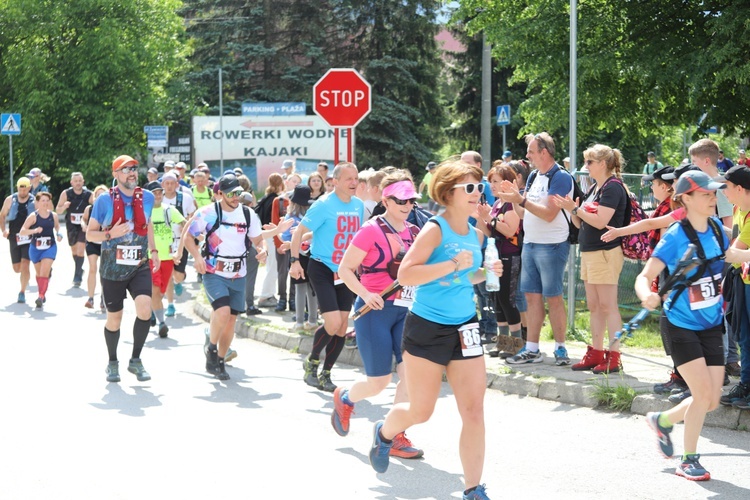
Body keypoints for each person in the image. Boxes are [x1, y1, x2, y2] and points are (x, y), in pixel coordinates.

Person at [367, 160, 502, 500]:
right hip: (427, 327)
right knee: (421, 411)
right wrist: (449, 264)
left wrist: (485, 272)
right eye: (469, 188)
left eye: (479, 187)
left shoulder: (475, 234)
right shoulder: (435, 229)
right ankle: (384, 433)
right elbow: (406, 275)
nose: (477, 194)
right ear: (448, 193)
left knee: (473, 410)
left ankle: (473, 489)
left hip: (465, 327)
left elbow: (464, 277)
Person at [637, 170, 750, 481]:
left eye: (714, 193)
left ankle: (663, 420)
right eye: (706, 194)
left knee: (712, 399)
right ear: (685, 198)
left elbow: (730, 254)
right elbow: (644, 276)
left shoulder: (717, 228)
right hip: (679, 324)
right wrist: (646, 294)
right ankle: (688, 459)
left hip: (712, 324)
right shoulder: (675, 236)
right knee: (701, 394)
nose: (714, 198)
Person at [333, 172, 424, 458]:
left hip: (406, 310)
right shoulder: (370, 230)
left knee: (409, 373)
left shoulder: (415, 231)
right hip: (374, 310)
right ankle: (346, 398)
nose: (407, 205)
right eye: (401, 200)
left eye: (411, 200)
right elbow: (345, 269)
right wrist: (366, 293)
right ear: (386, 200)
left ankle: (395, 433)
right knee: (378, 382)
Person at [183, 174, 287, 380]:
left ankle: (221, 360)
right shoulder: (208, 213)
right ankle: (212, 350)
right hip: (214, 271)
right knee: (221, 312)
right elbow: (188, 236)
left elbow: (257, 240)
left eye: (238, 192)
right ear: (220, 193)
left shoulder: (248, 214)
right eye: (231, 193)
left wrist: (262, 250)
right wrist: (196, 257)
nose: (235, 197)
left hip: (238, 273)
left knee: (231, 321)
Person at [498, 132, 574, 366]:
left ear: (544, 152)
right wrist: (513, 198)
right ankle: (532, 349)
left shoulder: (561, 177)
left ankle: (560, 348)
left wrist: (521, 201)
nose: (527, 155)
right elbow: (523, 213)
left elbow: (550, 214)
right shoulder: (532, 177)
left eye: (531, 151)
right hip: (530, 244)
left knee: (553, 298)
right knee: (531, 298)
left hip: (552, 245)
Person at [553, 144, 628, 373]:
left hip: (605, 252)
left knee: (608, 306)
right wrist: (572, 209)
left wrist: (575, 210)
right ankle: (596, 352)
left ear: (603, 164)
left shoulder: (613, 188)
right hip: (590, 252)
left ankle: (614, 356)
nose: (586, 166)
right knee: (595, 306)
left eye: (589, 162)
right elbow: (581, 222)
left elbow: (600, 221)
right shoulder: (596, 187)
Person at [290, 162, 364, 392]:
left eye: (356, 178)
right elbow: (298, 232)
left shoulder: (359, 205)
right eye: (349, 179)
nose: (354, 183)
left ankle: (326, 373)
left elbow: (351, 235)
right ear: (335, 181)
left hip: (345, 271)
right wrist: (294, 261)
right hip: (321, 268)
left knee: (342, 327)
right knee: (332, 323)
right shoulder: (323, 204)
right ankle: (312, 362)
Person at [86, 155, 159, 383]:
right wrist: (110, 234)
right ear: (115, 174)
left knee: (145, 309)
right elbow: (90, 234)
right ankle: (112, 362)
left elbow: (147, 225)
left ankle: (135, 360)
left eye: (134, 169)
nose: (132, 173)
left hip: (139, 264)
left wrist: (154, 251)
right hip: (112, 268)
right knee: (114, 319)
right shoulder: (104, 201)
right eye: (126, 169)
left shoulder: (146, 197)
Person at [476, 164, 523, 358]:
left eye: (495, 181)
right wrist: (482, 218)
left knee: (507, 300)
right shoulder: (496, 204)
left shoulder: (511, 205)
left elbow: (510, 230)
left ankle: (515, 344)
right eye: (490, 181)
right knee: (496, 299)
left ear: (507, 182)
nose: (492, 185)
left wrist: (490, 219)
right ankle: (503, 343)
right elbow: (489, 233)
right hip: (495, 256)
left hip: (510, 257)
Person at [719, 165, 750, 410]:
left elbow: (734, 252)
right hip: (744, 280)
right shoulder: (739, 208)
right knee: (743, 336)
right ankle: (746, 385)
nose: (724, 193)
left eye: (727, 188)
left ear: (740, 188)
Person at [461, 151, 497, 344]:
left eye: (467, 163)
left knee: (486, 288)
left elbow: (488, 214)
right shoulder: (462, 186)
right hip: (469, 242)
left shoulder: (485, 188)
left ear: (478, 165)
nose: (463, 167)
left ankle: (491, 327)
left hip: (485, 243)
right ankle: (482, 325)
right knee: (476, 287)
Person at [144, 181, 186, 338]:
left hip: (167, 258)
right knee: (155, 290)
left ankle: (153, 311)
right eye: (154, 193)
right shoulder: (143, 213)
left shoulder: (169, 210)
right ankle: (162, 323)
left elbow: (185, 224)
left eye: (159, 192)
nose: (157, 195)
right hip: (149, 258)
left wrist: (200, 234)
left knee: (160, 292)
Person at [279, 185, 318, 331]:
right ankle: (313, 320)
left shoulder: (291, 218)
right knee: (312, 289)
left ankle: (300, 322)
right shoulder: (313, 215)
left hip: (297, 256)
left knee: (300, 289)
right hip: (313, 255)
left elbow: (284, 238)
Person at [19, 191, 63, 309]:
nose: (45, 203)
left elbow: (57, 226)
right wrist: (34, 231)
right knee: (39, 274)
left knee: (44, 272)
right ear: (37, 202)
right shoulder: (33, 216)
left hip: (50, 247)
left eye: (47, 201)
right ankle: (42, 291)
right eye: (43, 200)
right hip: (35, 249)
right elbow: (22, 231)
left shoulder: (53, 215)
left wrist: (59, 233)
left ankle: (41, 296)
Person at [161, 172, 196, 317]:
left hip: (181, 240)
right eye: (166, 183)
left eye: (172, 183)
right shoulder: (158, 198)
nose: (169, 186)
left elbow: (194, 216)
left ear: (177, 184)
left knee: (178, 275)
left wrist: (188, 226)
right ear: (162, 185)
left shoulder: (185, 198)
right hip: (164, 242)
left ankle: (179, 281)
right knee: (168, 274)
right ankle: (170, 305)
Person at [55, 172, 94, 287]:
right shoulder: (66, 193)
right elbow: (58, 210)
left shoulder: (88, 194)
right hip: (71, 225)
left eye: (79, 181)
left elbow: (96, 207)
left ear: (83, 181)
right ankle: (79, 268)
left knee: (81, 249)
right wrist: (64, 206)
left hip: (83, 225)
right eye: (75, 181)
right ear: (71, 182)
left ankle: (77, 276)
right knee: (74, 250)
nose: (78, 183)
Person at [0, 177, 35, 303]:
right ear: (17, 187)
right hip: (14, 236)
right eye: (21, 187)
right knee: (17, 268)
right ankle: (25, 276)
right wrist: (4, 230)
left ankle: (22, 292)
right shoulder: (10, 200)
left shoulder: (34, 200)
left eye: (25, 187)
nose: (23, 190)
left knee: (25, 264)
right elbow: (2, 215)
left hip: (29, 236)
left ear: (29, 188)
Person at [271, 173, 301, 312]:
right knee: (282, 272)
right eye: (293, 181)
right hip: (283, 242)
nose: (295, 183)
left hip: (296, 245)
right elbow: (275, 223)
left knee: (294, 272)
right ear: (287, 182)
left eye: (298, 182)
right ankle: (282, 298)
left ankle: (293, 299)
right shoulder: (280, 200)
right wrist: (278, 244)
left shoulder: (302, 202)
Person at [257, 173, 285, 308]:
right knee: (273, 267)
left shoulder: (265, 198)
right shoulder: (276, 200)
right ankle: (266, 295)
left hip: (265, 235)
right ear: (281, 184)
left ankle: (268, 294)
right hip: (272, 235)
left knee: (271, 266)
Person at [81, 185, 109, 311]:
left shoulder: (110, 208)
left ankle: (103, 297)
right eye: (97, 194)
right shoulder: (90, 208)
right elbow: (84, 219)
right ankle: (90, 298)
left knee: (104, 271)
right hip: (92, 242)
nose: (99, 197)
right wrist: (84, 226)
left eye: (102, 194)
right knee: (92, 268)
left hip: (105, 242)